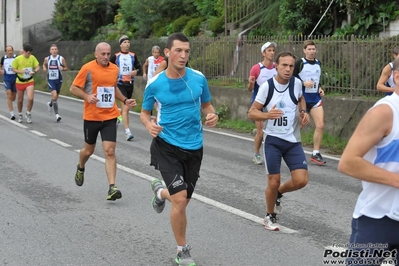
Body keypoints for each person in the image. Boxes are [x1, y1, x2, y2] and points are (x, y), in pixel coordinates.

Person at [140, 32, 218, 266]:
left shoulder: (198, 78)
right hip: (167, 146)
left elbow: (206, 105)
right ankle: (182, 250)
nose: (183, 55)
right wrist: (149, 125)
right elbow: (144, 113)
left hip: (195, 147)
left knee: (181, 200)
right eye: (178, 51)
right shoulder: (155, 83)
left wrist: (212, 115)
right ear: (167, 52)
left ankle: (160, 193)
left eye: (186, 51)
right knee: (181, 200)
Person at [337, 56, 399, 266]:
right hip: (377, 219)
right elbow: (348, 162)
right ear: (397, 77)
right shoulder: (385, 112)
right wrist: (395, 179)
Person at [248, 51, 310, 231]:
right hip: (273, 140)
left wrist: (303, 112)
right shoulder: (267, 87)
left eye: (291, 66)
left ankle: (279, 193)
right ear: (276, 66)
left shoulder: (297, 83)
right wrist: (268, 115)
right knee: (273, 181)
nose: (288, 69)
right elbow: (252, 112)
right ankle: (270, 215)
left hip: (292, 140)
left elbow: (301, 98)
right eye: (284, 65)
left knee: (301, 180)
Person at [70, 42, 136, 200]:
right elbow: (73, 88)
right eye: (103, 54)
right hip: (92, 117)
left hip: (110, 116)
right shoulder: (87, 68)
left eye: (108, 54)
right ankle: (81, 166)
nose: (106, 57)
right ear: (96, 54)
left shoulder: (114, 69)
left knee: (110, 151)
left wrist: (125, 100)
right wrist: (87, 96)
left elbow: (113, 88)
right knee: (88, 151)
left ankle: (112, 188)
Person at [293, 39, 326, 165]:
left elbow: (317, 80)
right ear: (304, 50)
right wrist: (303, 83)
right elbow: (291, 78)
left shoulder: (318, 63)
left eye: (313, 49)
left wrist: (320, 88)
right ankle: (288, 146)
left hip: (315, 99)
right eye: (309, 49)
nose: (312, 51)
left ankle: (315, 153)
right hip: (302, 99)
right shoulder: (299, 63)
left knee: (320, 125)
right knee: (300, 125)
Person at [247, 41, 277, 165]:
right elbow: (250, 89)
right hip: (258, 104)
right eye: (269, 50)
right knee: (261, 131)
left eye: (273, 50)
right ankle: (257, 154)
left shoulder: (277, 67)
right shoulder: (256, 68)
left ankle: (274, 154)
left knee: (274, 131)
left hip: (272, 104)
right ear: (263, 53)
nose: (272, 53)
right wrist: (251, 83)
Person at [110, 35, 142, 141]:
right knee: (126, 106)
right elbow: (108, 66)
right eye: (124, 42)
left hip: (130, 83)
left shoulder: (133, 55)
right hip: (119, 83)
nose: (127, 44)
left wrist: (136, 71)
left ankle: (117, 119)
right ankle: (127, 132)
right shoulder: (116, 56)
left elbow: (139, 67)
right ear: (120, 45)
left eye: (128, 42)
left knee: (125, 108)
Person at [11, 43, 40, 124]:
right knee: (20, 100)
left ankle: (28, 113)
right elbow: (13, 69)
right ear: (24, 51)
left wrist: (34, 71)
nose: (29, 54)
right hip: (20, 81)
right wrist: (21, 71)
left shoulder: (32, 57)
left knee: (30, 98)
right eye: (28, 53)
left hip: (29, 81)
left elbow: (37, 66)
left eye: (30, 53)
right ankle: (20, 114)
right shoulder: (18, 59)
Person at [42, 44, 68, 122]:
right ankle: (57, 115)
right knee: (54, 95)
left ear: (57, 50)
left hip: (58, 79)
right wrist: (44, 68)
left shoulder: (61, 58)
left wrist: (62, 68)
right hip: (51, 79)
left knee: (55, 97)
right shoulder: (47, 59)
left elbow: (66, 68)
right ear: (50, 51)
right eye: (52, 49)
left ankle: (50, 104)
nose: (54, 51)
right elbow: (44, 64)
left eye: (55, 49)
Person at [0, 45, 17, 120]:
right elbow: (0, 65)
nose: (10, 52)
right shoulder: (4, 58)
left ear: (13, 51)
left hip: (15, 79)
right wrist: (1, 70)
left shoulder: (16, 58)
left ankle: (11, 104)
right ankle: (12, 113)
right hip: (7, 79)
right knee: (9, 94)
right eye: (8, 51)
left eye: (11, 50)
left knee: (13, 98)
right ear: (6, 52)